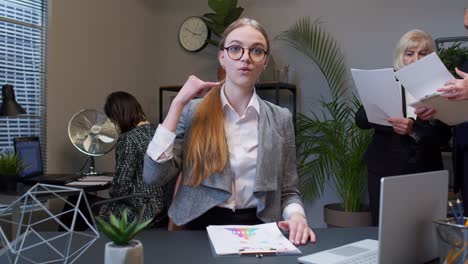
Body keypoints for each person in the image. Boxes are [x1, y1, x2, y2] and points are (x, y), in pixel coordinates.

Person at [143, 18, 315, 245]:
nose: (245, 57)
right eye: (235, 48)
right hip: (198, 229)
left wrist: (297, 217)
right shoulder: (193, 111)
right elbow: (154, 176)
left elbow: (288, 191)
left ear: (264, 62)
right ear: (222, 57)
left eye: (256, 50)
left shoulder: (280, 118)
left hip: (259, 230)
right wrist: (177, 105)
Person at [355, 29, 452, 226]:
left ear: (430, 57)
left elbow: (443, 136)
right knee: (383, 227)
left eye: (422, 53)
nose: (416, 59)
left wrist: (413, 129)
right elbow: (361, 120)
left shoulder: (440, 87)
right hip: (384, 168)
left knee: (422, 230)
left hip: (424, 170)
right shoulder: (386, 82)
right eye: (410, 53)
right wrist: (388, 115)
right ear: (402, 56)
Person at [98, 91, 169, 227]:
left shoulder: (128, 139)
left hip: (139, 210)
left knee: (81, 207)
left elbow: (120, 188)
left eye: (113, 120)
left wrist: (111, 188)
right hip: (163, 208)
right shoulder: (159, 132)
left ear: (118, 117)